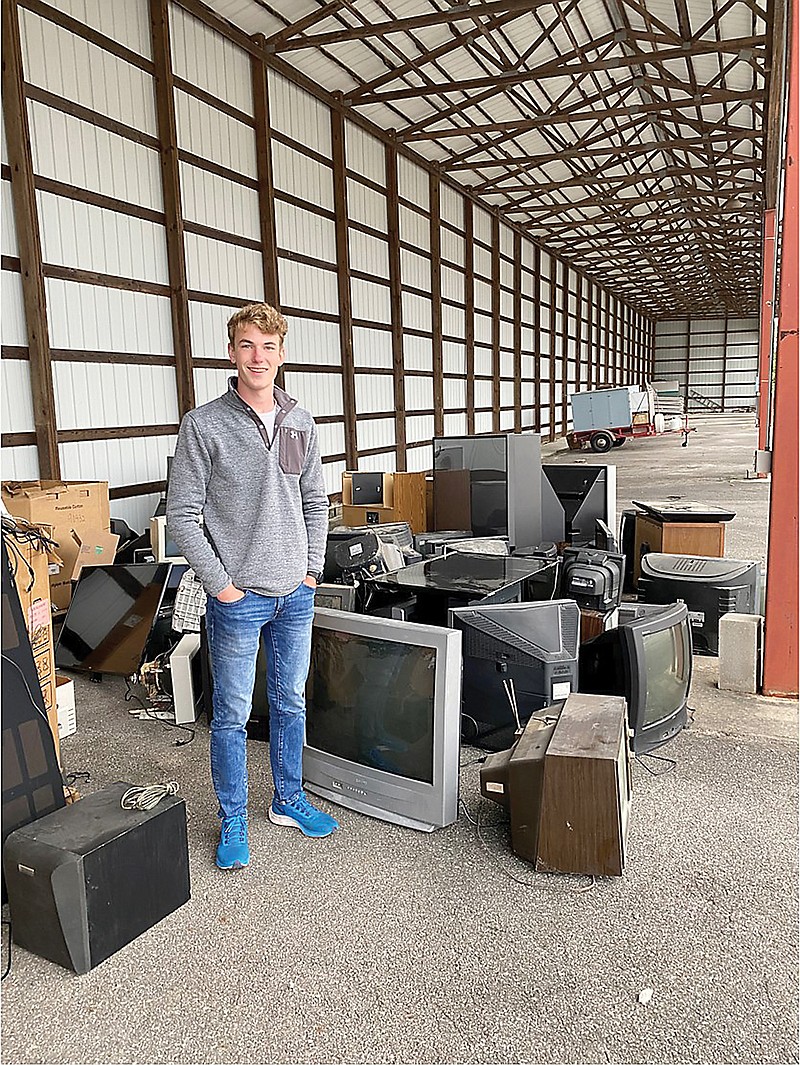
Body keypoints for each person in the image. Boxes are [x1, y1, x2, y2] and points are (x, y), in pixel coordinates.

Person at [167, 302, 338, 871]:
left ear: (282, 354)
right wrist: (220, 586)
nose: (257, 356)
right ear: (232, 352)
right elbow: (184, 516)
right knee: (233, 715)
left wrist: (312, 569)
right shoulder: (204, 424)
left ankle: (288, 801)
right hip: (238, 598)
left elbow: (316, 500)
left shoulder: (301, 422)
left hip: (297, 592)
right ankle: (233, 818)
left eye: (268, 346)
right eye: (247, 345)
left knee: (292, 702)